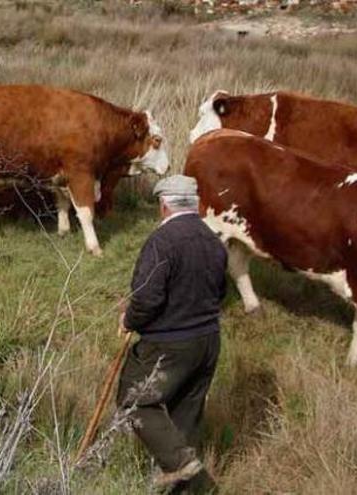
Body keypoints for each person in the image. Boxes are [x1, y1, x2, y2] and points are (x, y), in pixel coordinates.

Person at [115, 175, 227, 492]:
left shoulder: (161, 241)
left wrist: (129, 320)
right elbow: (220, 291)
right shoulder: (213, 239)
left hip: (169, 344)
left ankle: (191, 474)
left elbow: (147, 298)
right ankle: (188, 490)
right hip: (208, 341)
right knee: (185, 415)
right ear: (194, 204)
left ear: (163, 205)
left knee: (133, 400)